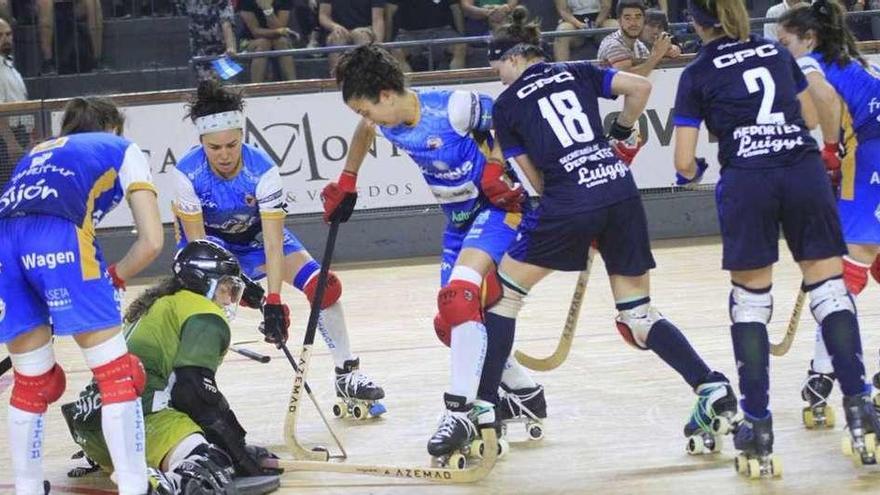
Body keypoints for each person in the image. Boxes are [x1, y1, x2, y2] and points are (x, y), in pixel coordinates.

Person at [484, 5, 739, 464]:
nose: (493, 72)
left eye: (495, 63)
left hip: (569, 199)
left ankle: (482, 408)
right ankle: (711, 386)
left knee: (501, 297)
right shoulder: (579, 70)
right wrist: (619, 131)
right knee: (638, 314)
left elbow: (534, 183)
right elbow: (639, 87)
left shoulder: (506, 106)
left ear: (513, 58)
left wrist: (575, 210)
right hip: (618, 190)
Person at [672, 0, 880, 475]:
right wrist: (825, 149)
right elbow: (812, 109)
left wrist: (697, 169)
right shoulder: (774, 52)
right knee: (830, 290)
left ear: (696, 24)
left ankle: (758, 427)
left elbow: (684, 163)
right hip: (800, 167)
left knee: (750, 302)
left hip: (748, 178)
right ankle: (861, 410)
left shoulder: (697, 72)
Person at [328, 38, 548, 463]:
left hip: (498, 209)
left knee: (461, 297)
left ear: (386, 95)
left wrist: (496, 165)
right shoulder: (384, 119)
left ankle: (461, 411)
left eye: (364, 108)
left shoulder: (454, 108)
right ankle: (523, 392)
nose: (364, 117)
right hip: (457, 223)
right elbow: (365, 131)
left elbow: (508, 119)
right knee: (450, 323)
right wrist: (348, 178)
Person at [172, 80, 386, 420]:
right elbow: (201, 246)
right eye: (215, 148)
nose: (225, 155)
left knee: (324, 287)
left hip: (258, 241)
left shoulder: (263, 170)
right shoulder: (186, 173)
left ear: (241, 137)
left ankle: (347, 373)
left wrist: (272, 301)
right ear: (201, 143)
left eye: (232, 144)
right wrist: (243, 290)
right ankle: (188, 390)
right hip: (210, 250)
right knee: (209, 316)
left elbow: (273, 241)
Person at [0, 96, 164, 494]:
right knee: (118, 377)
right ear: (112, 127)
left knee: (32, 381)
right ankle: (133, 486)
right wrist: (116, 276)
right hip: (61, 238)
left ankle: (26, 488)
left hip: (4, 243)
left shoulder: (36, 153)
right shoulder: (120, 147)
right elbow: (152, 242)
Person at [62, 240, 282, 494]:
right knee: (207, 464)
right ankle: (159, 483)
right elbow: (193, 392)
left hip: (93, 427)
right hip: (140, 421)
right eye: (226, 288)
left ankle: (135, 463)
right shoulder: (204, 313)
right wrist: (238, 453)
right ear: (204, 283)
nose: (229, 298)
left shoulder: (160, 302)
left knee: (211, 441)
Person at [776, 0, 880, 428]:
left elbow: (823, 99)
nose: (781, 50)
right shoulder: (852, 58)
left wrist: (831, 150)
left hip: (870, 159)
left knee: (841, 275)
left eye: (785, 43)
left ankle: (822, 371)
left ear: (809, 38)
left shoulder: (811, 64)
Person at [597, 0, 678, 77]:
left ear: (643, 20)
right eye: (627, 18)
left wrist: (669, 51)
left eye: (638, 17)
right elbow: (627, 79)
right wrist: (657, 55)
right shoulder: (613, 44)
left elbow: (647, 66)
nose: (633, 23)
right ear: (619, 21)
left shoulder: (639, 45)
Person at [385, 0, 467, 72]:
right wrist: (387, 42)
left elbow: (456, 10)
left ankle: (457, 85)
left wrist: (463, 37)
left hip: (442, 31)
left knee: (460, 46)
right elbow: (390, 13)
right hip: (408, 34)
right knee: (397, 51)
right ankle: (410, 87)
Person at [237, 0, 298, 83]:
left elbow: (280, 27)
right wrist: (278, 32)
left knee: (281, 42)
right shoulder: (246, 2)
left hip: (278, 38)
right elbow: (255, 32)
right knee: (263, 43)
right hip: (250, 40)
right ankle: (255, 88)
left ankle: (293, 84)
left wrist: (267, 10)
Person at [318, 0, 385, 73]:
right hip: (340, 30)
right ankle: (337, 78)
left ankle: (366, 77)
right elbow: (323, 16)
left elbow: (377, 19)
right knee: (337, 38)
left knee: (360, 35)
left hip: (365, 30)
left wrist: (378, 44)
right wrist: (334, 26)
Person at [553, 0, 618, 63]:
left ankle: (620, 68)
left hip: (601, 20)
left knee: (615, 26)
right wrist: (579, 25)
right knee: (562, 31)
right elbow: (563, 10)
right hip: (573, 23)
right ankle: (561, 69)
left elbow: (606, 6)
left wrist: (596, 23)